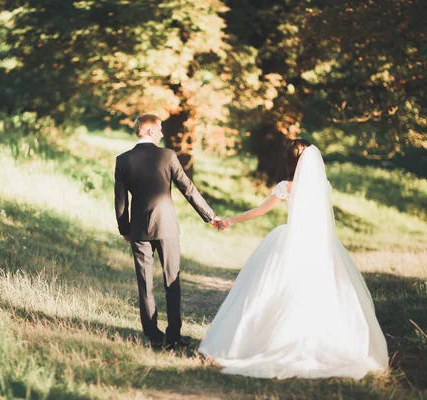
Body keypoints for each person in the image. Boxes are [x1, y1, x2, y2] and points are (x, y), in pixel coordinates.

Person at [198, 139, 388, 379]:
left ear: (290, 160)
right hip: (320, 244)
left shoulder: (286, 187)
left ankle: (268, 342)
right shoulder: (323, 186)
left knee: (275, 291)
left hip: (291, 241)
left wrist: (230, 220)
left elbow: (260, 210)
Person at [114, 113, 221, 350]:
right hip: (167, 227)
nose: (162, 133)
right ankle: (174, 336)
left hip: (139, 230)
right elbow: (188, 189)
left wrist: (125, 229)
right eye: (159, 129)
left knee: (145, 285)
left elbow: (120, 201)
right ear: (150, 131)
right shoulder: (167, 156)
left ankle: (153, 337)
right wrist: (210, 216)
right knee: (172, 281)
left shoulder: (123, 160)